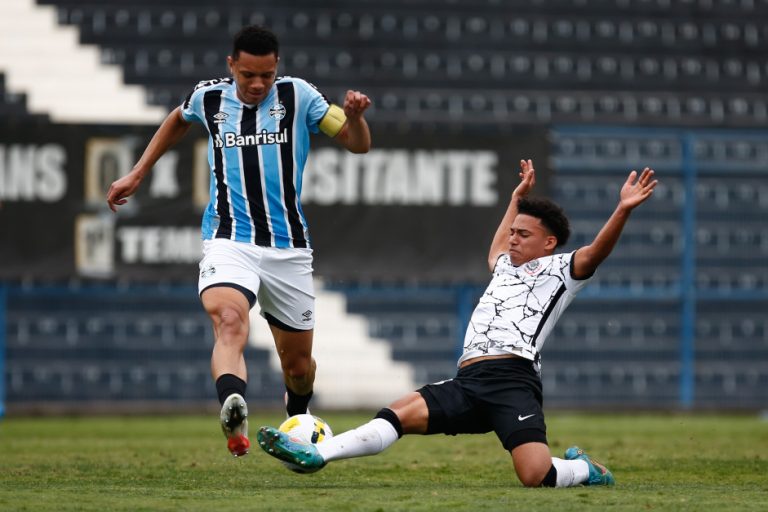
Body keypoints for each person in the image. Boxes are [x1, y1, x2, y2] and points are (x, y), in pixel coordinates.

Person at [256, 159, 658, 487]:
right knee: (397, 413)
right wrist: (516, 199)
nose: (513, 239)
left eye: (524, 234)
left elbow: (596, 253)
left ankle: (586, 470)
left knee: (535, 475)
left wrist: (622, 209)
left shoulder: (561, 270)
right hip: (469, 381)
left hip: (511, 381)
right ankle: (317, 454)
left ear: (549, 242)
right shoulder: (504, 267)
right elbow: (497, 246)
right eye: (513, 232)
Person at [106, 25, 372, 457]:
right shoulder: (209, 98)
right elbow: (178, 118)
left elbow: (357, 145)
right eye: (248, 74)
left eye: (266, 75)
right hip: (229, 238)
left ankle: (296, 414)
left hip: (288, 248)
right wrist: (138, 171)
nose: (257, 84)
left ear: (277, 68)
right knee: (229, 320)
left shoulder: (299, 96)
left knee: (299, 368)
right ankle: (234, 408)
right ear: (231, 66)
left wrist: (356, 118)